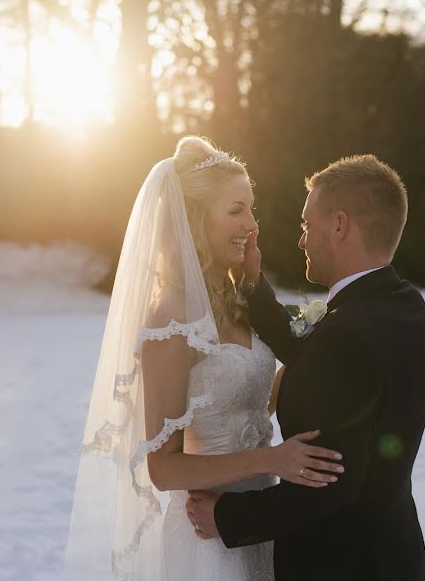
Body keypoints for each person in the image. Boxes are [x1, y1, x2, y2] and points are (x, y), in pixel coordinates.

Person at [64, 136, 340, 581]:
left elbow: (246, 404)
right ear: (195, 220)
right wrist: (272, 460)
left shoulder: (238, 298)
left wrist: (311, 351)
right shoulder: (171, 315)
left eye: (251, 209)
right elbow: (163, 466)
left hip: (257, 517)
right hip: (207, 537)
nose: (251, 225)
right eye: (235, 210)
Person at [186, 154, 425, 580]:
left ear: (339, 226)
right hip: (395, 555)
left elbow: (329, 484)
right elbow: (319, 349)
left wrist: (226, 517)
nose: (302, 241)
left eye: (307, 226)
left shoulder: (347, 336)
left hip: (340, 565)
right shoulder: (402, 305)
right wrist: (251, 285)